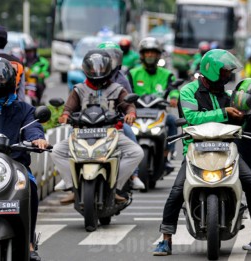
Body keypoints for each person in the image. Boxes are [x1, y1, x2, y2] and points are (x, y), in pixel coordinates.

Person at [153, 49, 251, 256]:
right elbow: (191, 117)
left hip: (227, 147)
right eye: (224, 72)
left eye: (228, 73)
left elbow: (239, 121)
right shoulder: (188, 91)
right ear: (212, 71)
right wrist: (223, 112)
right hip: (195, 149)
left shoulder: (229, 96)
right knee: (176, 192)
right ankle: (166, 238)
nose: (227, 76)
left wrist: (244, 112)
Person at [0, 57, 49, 261]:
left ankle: (29, 241)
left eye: (1, 76)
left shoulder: (24, 109)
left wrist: (37, 139)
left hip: (16, 168)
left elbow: (32, 127)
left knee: (30, 188)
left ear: (12, 79)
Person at [51, 49, 144, 204]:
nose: (97, 71)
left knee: (136, 152)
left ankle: (116, 186)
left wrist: (131, 114)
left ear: (108, 68)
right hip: (82, 133)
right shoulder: (79, 89)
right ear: (87, 69)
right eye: (93, 68)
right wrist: (65, 116)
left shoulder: (117, 89)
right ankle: (72, 184)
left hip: (112, 132)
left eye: (101, 67)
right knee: (56, 151)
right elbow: (68, 108)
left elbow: (129, 106)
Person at [97, 41, 145, 190]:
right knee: (70, 138)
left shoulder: (121, 79)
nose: (111, 61)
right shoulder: (91, 76)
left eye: (114, 57)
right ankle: (70, 178)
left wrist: (129, 113)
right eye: (107, 57)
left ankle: (134, 175)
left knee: (130, 133)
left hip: (113, 121)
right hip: (91, 121)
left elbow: (128, 101)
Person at [127, 37, 179, 173]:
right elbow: (125, 91)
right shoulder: (133, 73)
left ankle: (167, 155)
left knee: (173, 121)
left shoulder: (167, 74)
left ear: (158, 55)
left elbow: (173, 89)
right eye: (147, 52)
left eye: (153, 52)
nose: (150, 55)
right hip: (137, 112)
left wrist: (174, 98)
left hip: (159, 112)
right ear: (142, 55)